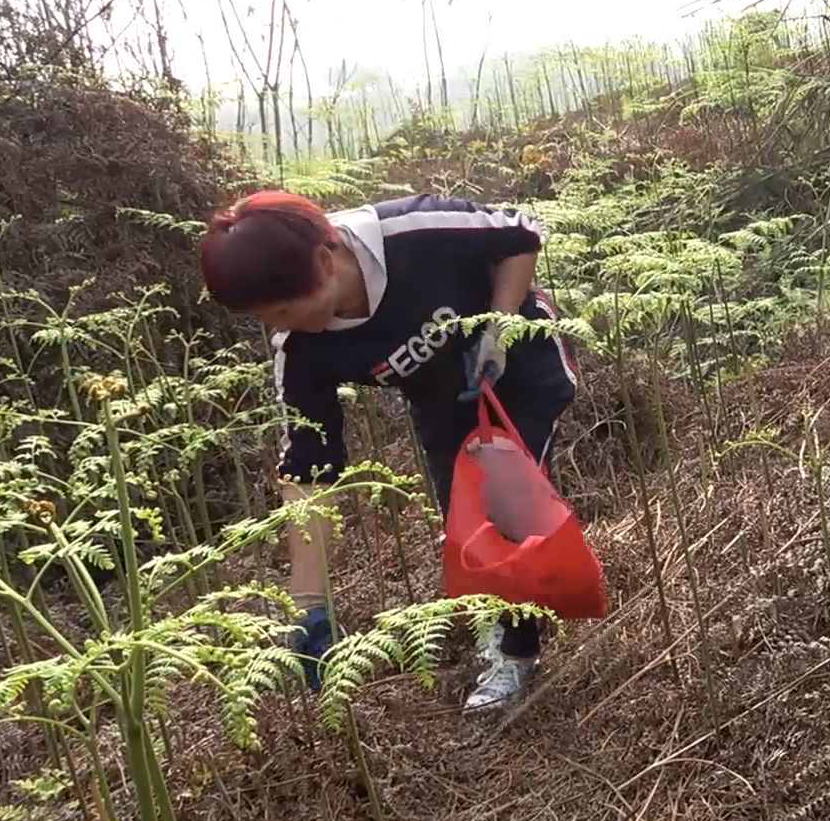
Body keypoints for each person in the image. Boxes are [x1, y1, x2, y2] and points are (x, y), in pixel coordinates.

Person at [199, 190, 580, 709]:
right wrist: (308, 604)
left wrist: (499, 326)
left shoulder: (414, 231)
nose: (280, 327)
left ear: (323, 261)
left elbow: (519, 233)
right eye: (266, 318)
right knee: (464, 524)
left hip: (518, 369)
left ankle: (517, 656)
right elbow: (310, 471)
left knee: (507, 512)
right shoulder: (303, 350)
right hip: (443, 403)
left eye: (286, 309)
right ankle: (514, 610)